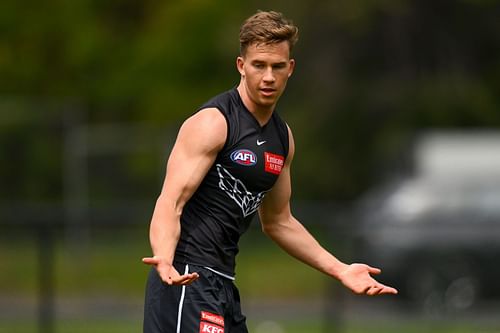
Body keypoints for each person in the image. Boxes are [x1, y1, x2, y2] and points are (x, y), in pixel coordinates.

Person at [142, 10, 397, 333]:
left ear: (290, 69)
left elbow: (279, 221)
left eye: (277, 67)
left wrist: (341, 270)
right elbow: (170, 203)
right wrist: (163, 257)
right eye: (258, 65)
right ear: (241, 66)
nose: (268, 77)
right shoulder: (213, 123)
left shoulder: (282, 139)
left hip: (222, 284)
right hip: (184, 277)